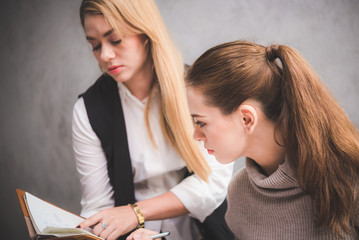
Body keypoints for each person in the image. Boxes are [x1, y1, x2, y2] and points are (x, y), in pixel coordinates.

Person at [128, 40, 359, 239]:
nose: (195, 136)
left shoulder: (350, 176)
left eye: (201, 122)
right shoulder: (240, 193)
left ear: (247, 119)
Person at [72, 0, 234, 240]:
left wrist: (135, 213)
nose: (105, 55)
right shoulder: (88, 110)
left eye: (115, 39)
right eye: (95, 46)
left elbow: (213, 183)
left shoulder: (199, 91)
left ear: (146, 33)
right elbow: (97, 209)